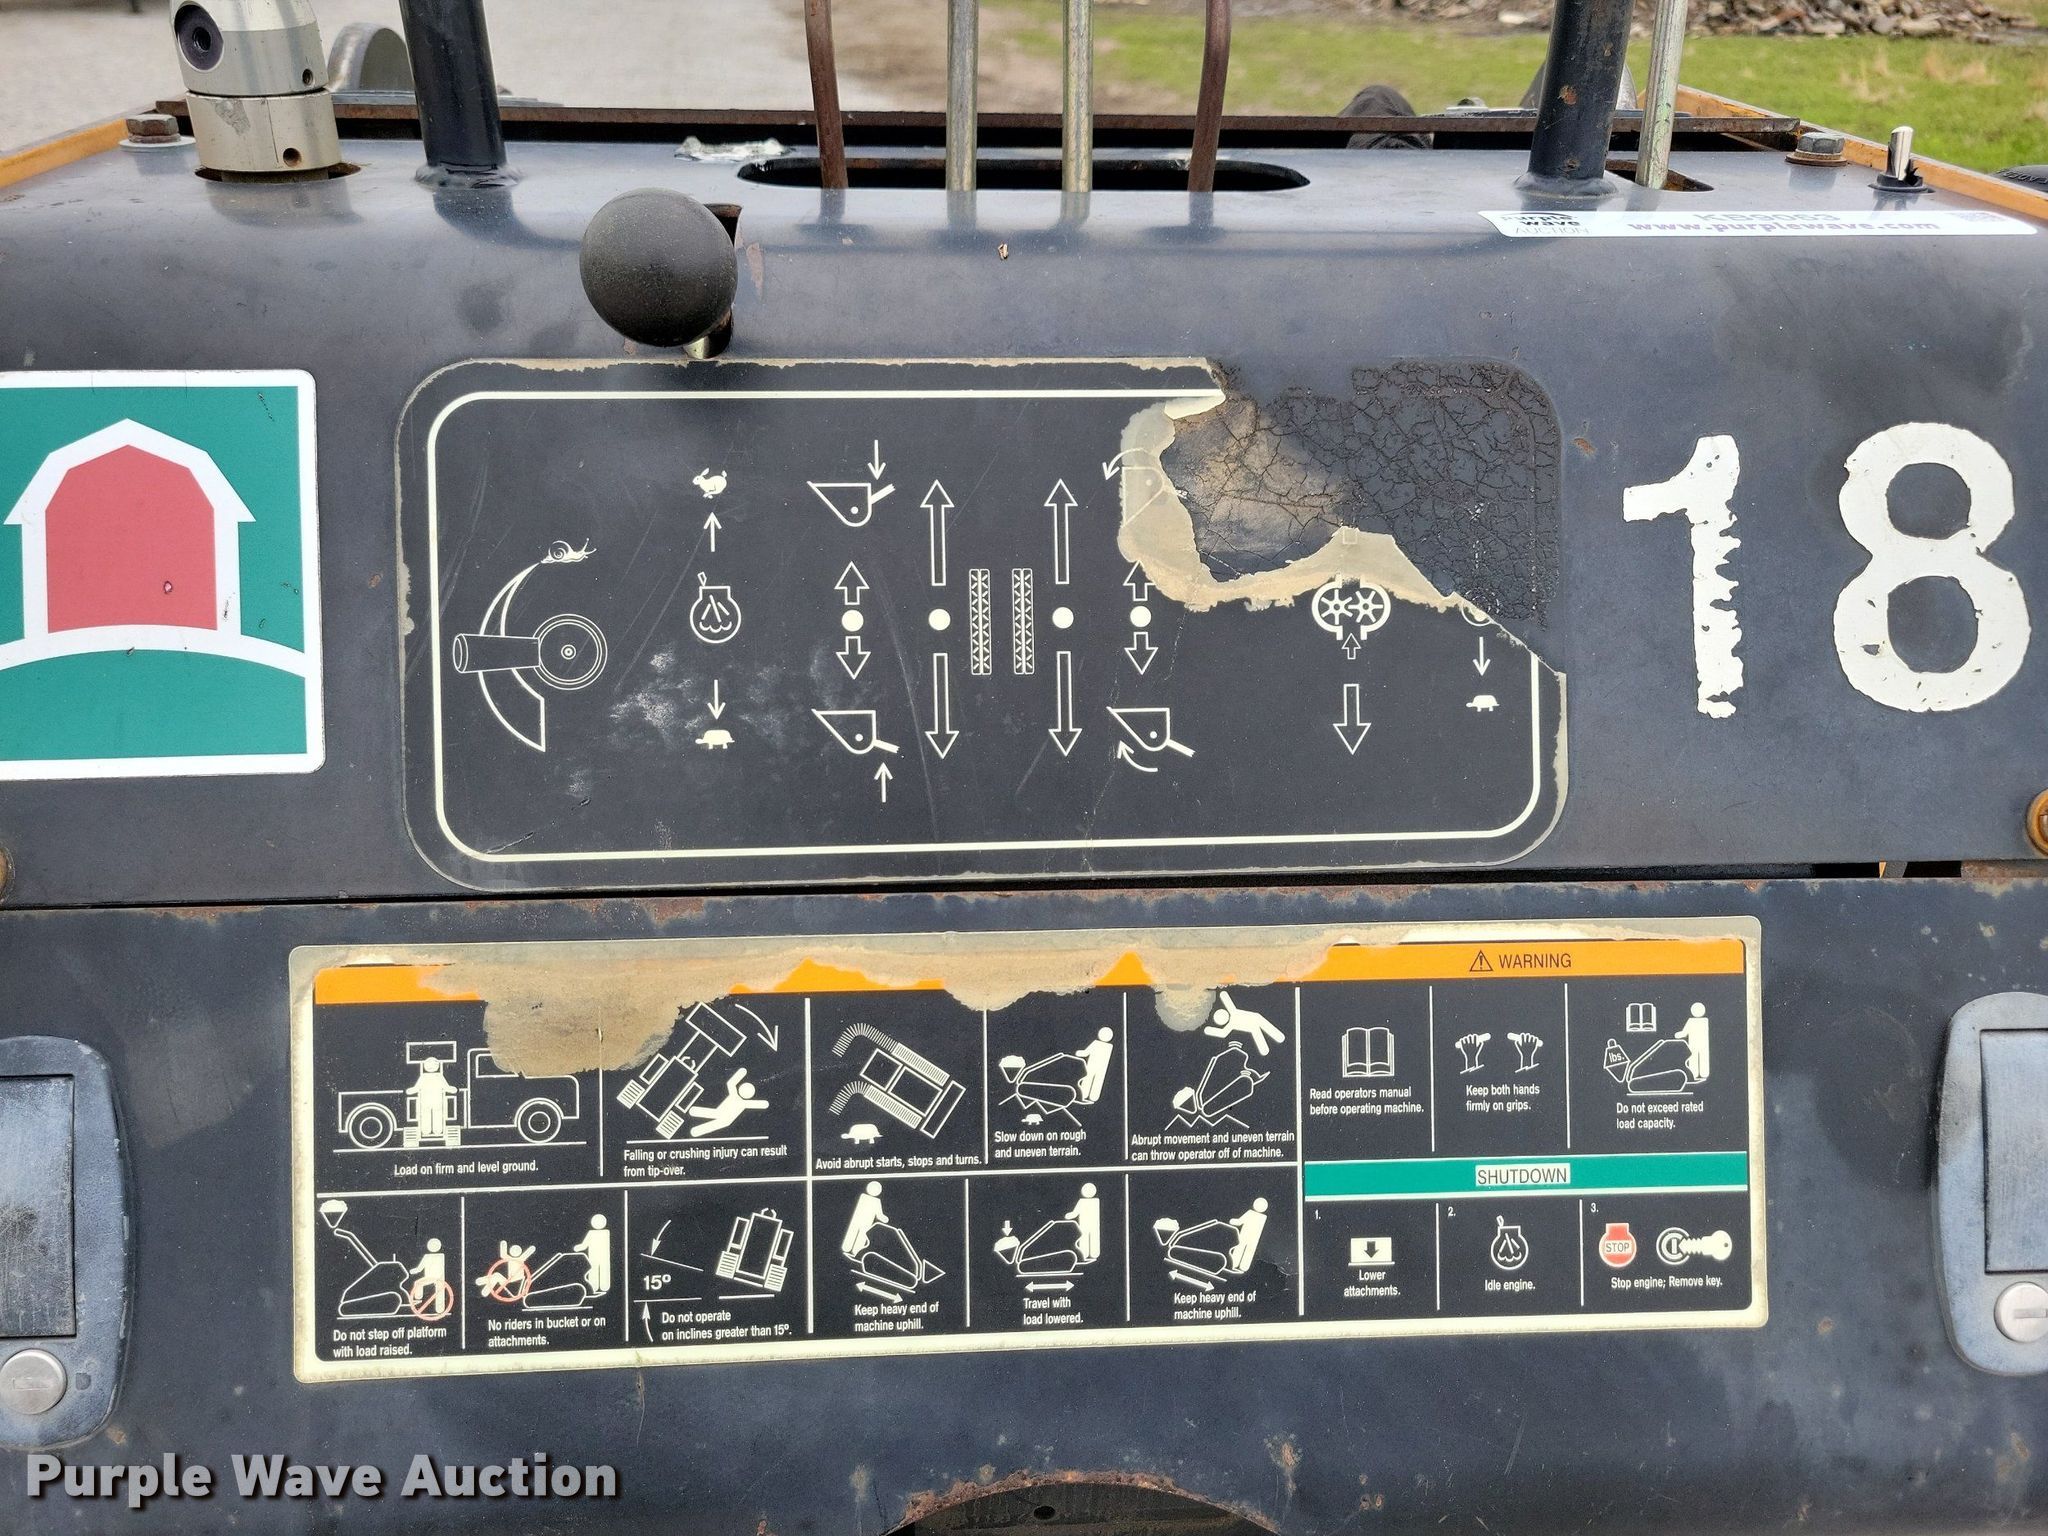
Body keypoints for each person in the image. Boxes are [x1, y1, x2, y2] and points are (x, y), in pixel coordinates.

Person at [688, 1068, 767, 1137]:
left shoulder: (740, 1100)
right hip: (723, 1115)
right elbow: (762, 1104)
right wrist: (741, 1073)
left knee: (714, 1119)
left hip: (726, 1119)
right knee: (715, 1115)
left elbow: (731, 1083)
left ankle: (695, 1127)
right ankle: (694, 1124)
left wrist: (741, 1073)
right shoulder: (740, 1099)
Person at [407, 1054, 461, 1146]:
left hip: (435, 1101)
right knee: (427, 1115)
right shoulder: (424, 1077)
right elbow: (417, 1087)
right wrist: (411, 1090)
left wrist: (452, 1089)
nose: (431, 1066)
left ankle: (437, 1130)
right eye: (429, 1064)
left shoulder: (438, 1076)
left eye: (433, 1064)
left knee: (437, 1114)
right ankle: (426, 1130)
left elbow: (446, 1087)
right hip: (427, 1101)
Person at [843, 1181, 888, 1259]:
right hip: (860, 1221)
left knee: (859, 1236)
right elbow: (879, 1215)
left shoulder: (871, 1200)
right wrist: (884, 1219)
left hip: (864, 1222)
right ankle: (848, 1249)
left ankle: (853, 1251)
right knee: (854, 1233)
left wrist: (884, 1218)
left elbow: (879, 1214)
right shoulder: (865, 1198)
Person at [407, 1237, 450, 1318]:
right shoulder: (431, 1256)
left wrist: (414, 1271)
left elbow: (419, 1269)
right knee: (418, 1283)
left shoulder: (440, 1256)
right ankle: (419, 1299)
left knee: (437, 1289)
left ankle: (420, 1299)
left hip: (437, 1278)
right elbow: (419, 1268)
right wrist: (414, 1271)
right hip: (433, 1278)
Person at [574, 1214, 612, 1297]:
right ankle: (601, 1286)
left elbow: (584, 1245)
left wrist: (577, 1248)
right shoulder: (605, 1233)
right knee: (599, 1269)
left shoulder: (597, 1233)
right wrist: (579, 1248)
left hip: (597, 1256)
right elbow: (585, 1245)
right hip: (600, 1256)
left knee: (598, 1269)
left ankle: (599, 1286)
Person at [1076, 1028, 1115, 1106]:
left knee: (1089, 1079)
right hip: (1101, 1068)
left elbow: (1086, 1053)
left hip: (1093, 1066)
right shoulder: (1109, 1046)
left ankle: (1084, 1095)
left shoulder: (1096, 1043)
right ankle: (1093, 1097)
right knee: (1097, 1081)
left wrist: (1079, 1053)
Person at [1069, 1183, 1102, 1265]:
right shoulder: (1088, 1202)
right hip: (1087, 1224)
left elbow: (1075, 1213)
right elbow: (1075, 1213)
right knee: (1086, 1237)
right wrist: (1070, 1215)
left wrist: (1070, 1215)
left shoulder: (1094, 1201)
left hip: (1091, 1224)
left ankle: (1092, 1253)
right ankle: (1087, 1253)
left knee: (1091, 1237)